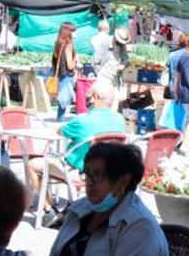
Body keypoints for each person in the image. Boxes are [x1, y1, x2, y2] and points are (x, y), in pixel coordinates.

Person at [27, 80, 127, 225]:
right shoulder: (119, 120)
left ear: (95, 97)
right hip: (109, 173)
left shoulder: (81, 121)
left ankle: (49, 211)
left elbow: (59, 132)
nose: (86, 96)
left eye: (89, 94)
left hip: (80, 173)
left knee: (32, 164)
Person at [51, 21, 78, 121]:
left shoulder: (58, 43)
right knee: (64, 100)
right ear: (68, 32)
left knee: (62, 100)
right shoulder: (68, 45)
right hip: (67, 75)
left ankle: (59, 119)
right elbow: (70, 65)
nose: (75, 34)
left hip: (60, 75)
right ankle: (60, 122)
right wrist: (75, 59)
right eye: (73, 31)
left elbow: (55, 58)